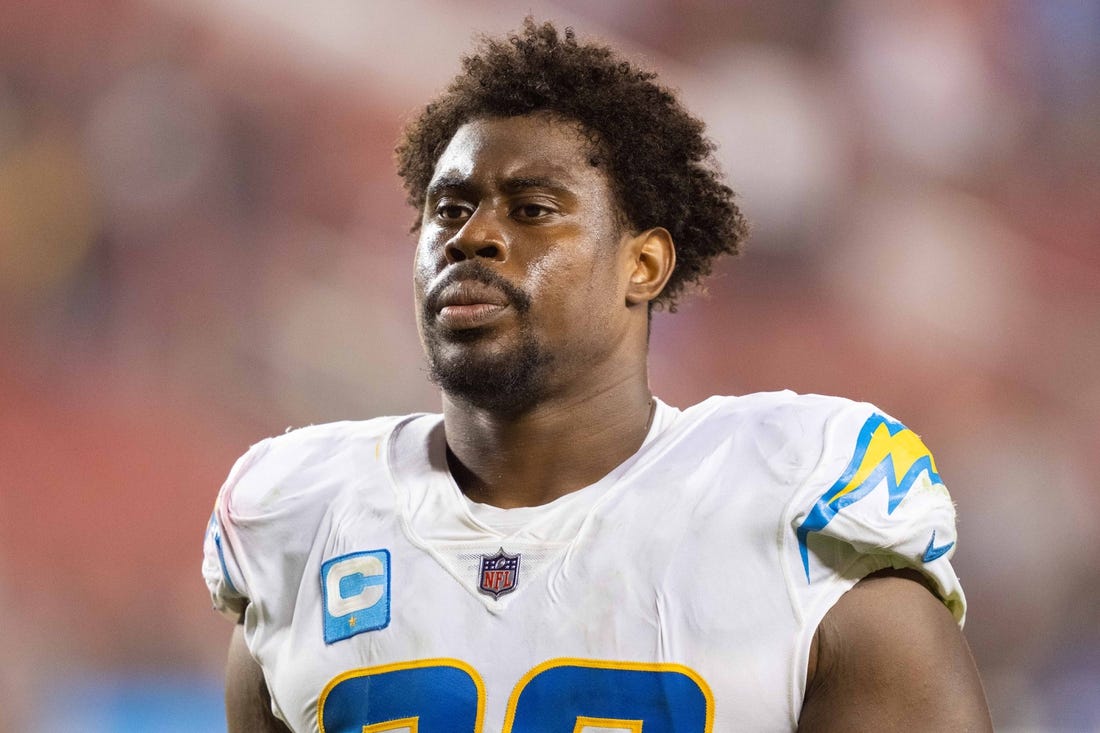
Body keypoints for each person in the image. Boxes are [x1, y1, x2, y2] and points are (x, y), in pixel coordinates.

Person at [202, 19, 992, 732]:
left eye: (532, 210)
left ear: (642, 264)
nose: (472, 237)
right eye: (448, 209)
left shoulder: (797, 514)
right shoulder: (304, 525)